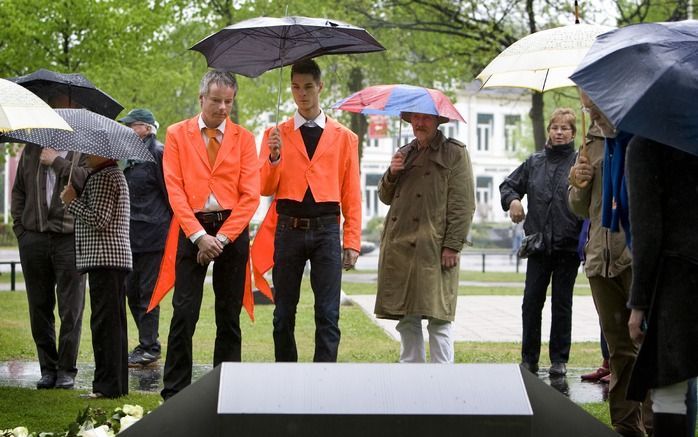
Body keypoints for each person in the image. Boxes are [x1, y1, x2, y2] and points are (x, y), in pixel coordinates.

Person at [160, 70, 259, 400]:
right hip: (192, 228)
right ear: (201, 99)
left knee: (228, 315)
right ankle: (174, 393)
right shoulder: (176, 134)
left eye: (228, 101)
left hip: (231, 230)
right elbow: (174, 190)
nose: (222, 108)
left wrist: (223, 238)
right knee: (184, 312)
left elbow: (250, 197)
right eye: (216, 100)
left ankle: (227, 391)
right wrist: (200, 236)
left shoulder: (244, 139)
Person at [258, 59, 361, 362]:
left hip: (327, 229)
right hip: (288, 227)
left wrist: (352, 239)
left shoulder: (344, 137)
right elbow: (264, 187)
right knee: (282, 314)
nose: (301, 94)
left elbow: (352, 192)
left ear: (320, 87)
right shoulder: (275, 134)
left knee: (328, 314)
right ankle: (285, 377)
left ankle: (323, 380)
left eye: (307, 87)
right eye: (295, 87)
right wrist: (274, 157)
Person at [568, 111, 651, 436]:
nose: (592, 115)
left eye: (597, 107)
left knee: (645, 346)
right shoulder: (590, 144)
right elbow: (579, 207)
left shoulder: (640, 135)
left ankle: (654, 424)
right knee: (618, 352)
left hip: (634, 257)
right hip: (599, 260)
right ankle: (626, 427)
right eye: (588, 108)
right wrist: (577, 182)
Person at [374, 111, 475, 363]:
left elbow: (463, 204)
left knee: (438, 316)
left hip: (433, 247)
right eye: (415, 118)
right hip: (399, 246)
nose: (419, 123)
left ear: (438, 121)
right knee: (406, 317)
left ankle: (442, 378)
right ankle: (412, 375)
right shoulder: (404, 152)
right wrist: (392, 173)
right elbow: (385, 197)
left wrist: (452, 245)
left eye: (426, 118)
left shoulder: (455, 152)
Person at [10, 91, 88, 390]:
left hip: (70, 239)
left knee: (72, 308)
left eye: (64, 106)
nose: (58, 111)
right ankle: (48, 367)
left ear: (74, 110)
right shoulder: (31, 147)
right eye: (53, 106)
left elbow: (84, 181)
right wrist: (21, 229)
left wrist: (57, 161)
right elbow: (18, 191)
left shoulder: (83, 147)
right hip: (34, 239)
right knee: (39, 306)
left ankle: (67, 370)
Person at [499, 108, 582, 376]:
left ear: (573, 133)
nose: (559, 132)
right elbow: (508, 185)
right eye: (554, 127)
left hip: (569, 245)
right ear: (548, 131)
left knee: (562, 303)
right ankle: (529, 358)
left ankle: (559, 359)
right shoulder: (534, 162)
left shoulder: (580, 162)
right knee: (531, 302)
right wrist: (513, 201)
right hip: (538, 245)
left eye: (565, 128)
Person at [625, 137, 698, 437]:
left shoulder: (646, 146)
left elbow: (647, 232)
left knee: (669, 390)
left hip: (678, 279)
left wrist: (638, 303)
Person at [60, 153, 131, 399]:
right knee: (114, 324)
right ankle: (116, 384)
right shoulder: (111, 174)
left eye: (88, 153)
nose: (84, 157)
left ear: (102, 153)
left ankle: (106, 386)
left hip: (104, 259)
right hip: (113, 260)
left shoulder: (104, 177)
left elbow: (99, 219)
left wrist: (73, 201)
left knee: (104, 325)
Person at [119, 109, 171, 367]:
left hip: (154, 236)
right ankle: (146, 343)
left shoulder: (158, 154)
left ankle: (150, 347)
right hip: (132, 236)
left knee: (148, 294)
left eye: (132, 125)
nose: (127, 129)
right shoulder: (128, 157)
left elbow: (170, 195)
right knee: (131, 291)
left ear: (147, 128)